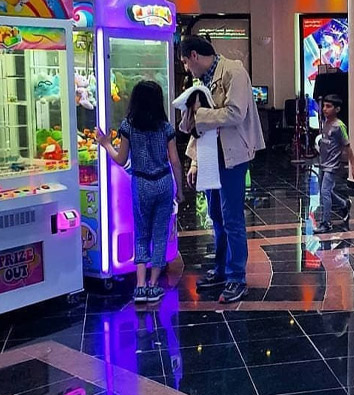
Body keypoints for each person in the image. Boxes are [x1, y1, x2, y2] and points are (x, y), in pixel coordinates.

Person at [179, 36, 265, 304]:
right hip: (209, 157)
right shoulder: (200, 82)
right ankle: (221, 270)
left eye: (185, 62)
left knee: (232, 217)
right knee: (215, 215)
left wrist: (199, 114)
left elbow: (235, 113)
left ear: (194, 55)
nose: (186, 68)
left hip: (233, 156)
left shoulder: (234, 71)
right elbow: (198, 129)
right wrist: (195, 161)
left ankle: (237, 277)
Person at [96, 81, 184, 304]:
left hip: (141, 183)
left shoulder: (128, 126)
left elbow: (121, 159)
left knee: (141, 233)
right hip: (163, 182)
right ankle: (154, 285)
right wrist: (180, 190)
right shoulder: (166, 128)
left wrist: (106, 144)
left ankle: (140, 285)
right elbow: (175, 161)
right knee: (160, 234)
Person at [314, 94, 354, 234]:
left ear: (337, 109)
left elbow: (347, 147)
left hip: (332, 165)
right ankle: (344, 204)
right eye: (324, 106)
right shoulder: (326, 122)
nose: (324, 109)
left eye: (328, 106)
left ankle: (326, 223)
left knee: (325, 192)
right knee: (326, 191)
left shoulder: (339, 126)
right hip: (323, 163)